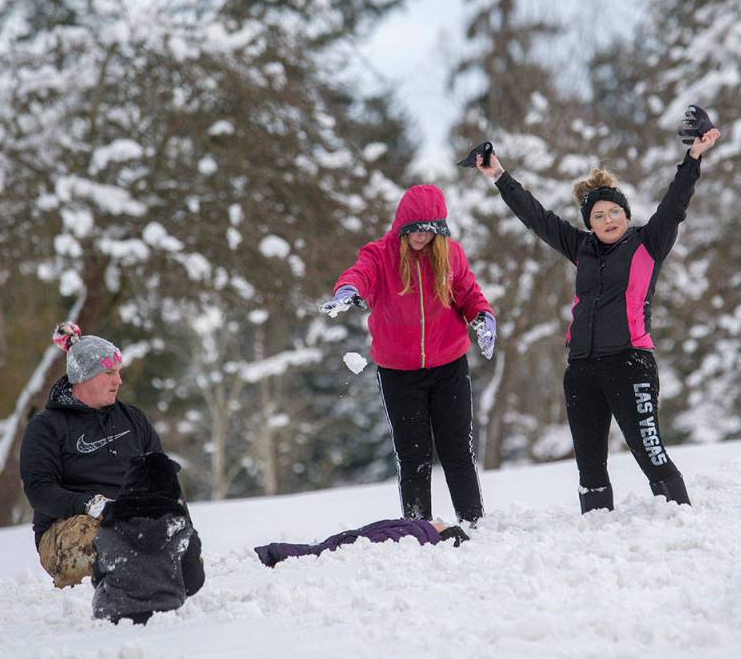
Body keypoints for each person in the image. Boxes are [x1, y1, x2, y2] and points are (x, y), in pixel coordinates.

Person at [472, 106, 722, 513]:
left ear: (626, 215)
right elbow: (537, 218)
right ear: (589, 223)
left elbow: (676, 202)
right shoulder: (581, 248)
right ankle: (596, 535)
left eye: (614, 213)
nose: (608, 220)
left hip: (630, 363)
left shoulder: (649, 242)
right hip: (582, 369)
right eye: (598, 215)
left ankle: (682, 519)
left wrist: (693, 157)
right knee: (589, 467)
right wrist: (499, 175)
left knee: (649, 451)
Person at [320, 184, 496, 524]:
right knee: (413, 454)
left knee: (458, 449)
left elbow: (469, 294)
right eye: (415, 228)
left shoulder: (451, 255)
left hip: (450, 367)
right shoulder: (380, 254)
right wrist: (347, 290)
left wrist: (483, 317)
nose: (421, 236)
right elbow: (360, 274)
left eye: (429, 229)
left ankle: (474, 520)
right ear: (402, 224)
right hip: (399, 373)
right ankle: (418, 526)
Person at [20, 322, 166, 587]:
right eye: (109, 372)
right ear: (84, 376)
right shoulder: (46, 427)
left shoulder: (133, 419)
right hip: (69, 529)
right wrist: (93, 505)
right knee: (99, 542)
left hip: (128, 523)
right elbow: (39, 490)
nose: (118, 380)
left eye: (119, 372)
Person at [91, 451, 205, 625]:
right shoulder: (181, 530)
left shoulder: (108, 529)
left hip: (111, 618)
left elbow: (97, 578)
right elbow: (194, 581)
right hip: (166, 614)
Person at [255, 518, 469, 568]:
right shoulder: (417, 529)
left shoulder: (417, 535)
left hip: (351, 542)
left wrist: (354, 542)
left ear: (443, 533)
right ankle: (270, 553)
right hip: (352, 537)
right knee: (314, 551)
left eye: (443, 524)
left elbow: (380, 539)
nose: (439, 520)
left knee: (315, 553)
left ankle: (270, 554)